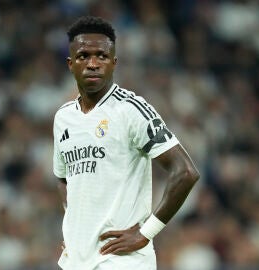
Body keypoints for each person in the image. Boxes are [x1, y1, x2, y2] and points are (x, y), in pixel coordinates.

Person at [53, 16, 200, 270]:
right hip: (76, 261)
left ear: (114, 63)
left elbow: (185, 172)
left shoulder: (131, 110)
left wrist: (146, 233)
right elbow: (63, 178)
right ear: (70, 64)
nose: (93, 64)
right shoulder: (63, 118)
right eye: (83, 56)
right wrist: (74, 231)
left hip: (121, 262)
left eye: (101, 56)